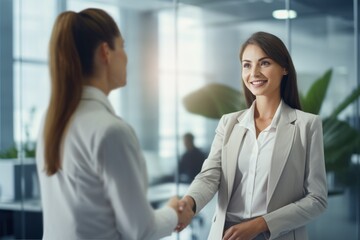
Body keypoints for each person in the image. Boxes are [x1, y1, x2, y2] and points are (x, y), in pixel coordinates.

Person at [36, 8, 192, 240]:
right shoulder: (111, 131)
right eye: (123, 46)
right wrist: (174, 213)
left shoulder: (51, 121)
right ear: (105, 52)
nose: (126, 57)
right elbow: (141, 229)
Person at [177, 31, 328, 240]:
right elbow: (209, 176)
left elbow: (317, 199)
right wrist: (189, 204)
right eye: (247, 65)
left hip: (276, 234)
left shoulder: (306, 126)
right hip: (226, 234)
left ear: (284, 68)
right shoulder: (229, 123)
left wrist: (260, 224)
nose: (254, 72)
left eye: (264, 63)